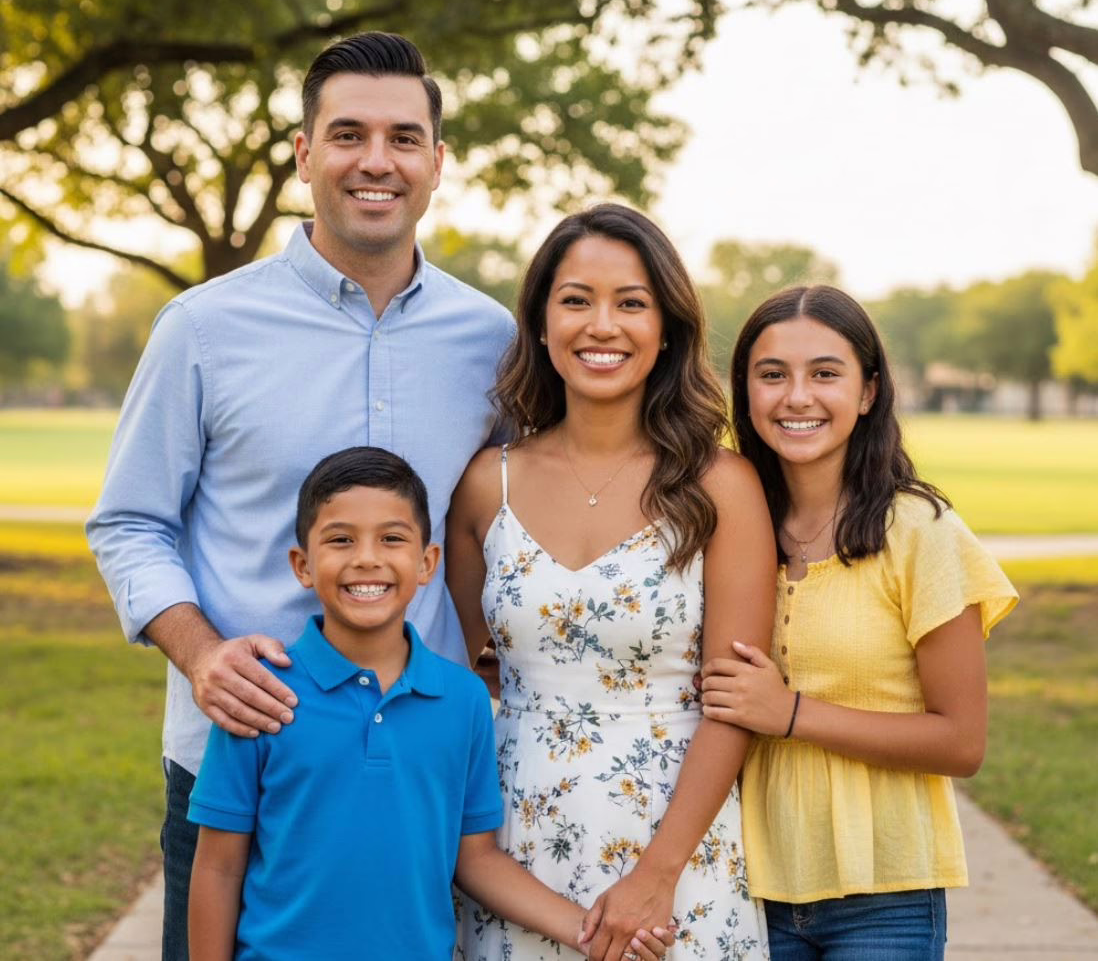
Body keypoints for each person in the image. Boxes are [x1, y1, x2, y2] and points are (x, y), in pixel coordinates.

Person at [85, 32, 515, 959]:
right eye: (348, 133)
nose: (376, 161)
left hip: (415, 774)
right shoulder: (203, 327)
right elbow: (129, 522)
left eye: (404, 138)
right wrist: (199, 654)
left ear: (438, 163)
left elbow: (514, 523)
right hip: (235, 765)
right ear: (304, 154)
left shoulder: (493, 341)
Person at [187, 447, 674, 961]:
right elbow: (218, 868)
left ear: (427, 563)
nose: (367, 558)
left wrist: (587, 930)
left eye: (392, 539)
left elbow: (477, 858)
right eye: (341, 540)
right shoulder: (261, 695)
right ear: (302, 566)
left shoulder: (462, 699)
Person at [448, 203, 773, 961]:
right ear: (538, 323)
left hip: (676, 858)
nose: (603, 325)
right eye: (576, 300)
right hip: (514, 846)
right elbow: (473, 670)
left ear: (667, 330)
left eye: (631, 303)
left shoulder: (721, 485)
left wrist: (657, 877)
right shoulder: (483, 486)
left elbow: (737, 700)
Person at [701, 285, 1018, 960]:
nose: (796, 397)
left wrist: (790, 713)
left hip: (885, 899)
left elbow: (962, 743)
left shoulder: (921, 532)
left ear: (868, 391)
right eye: (772, 375)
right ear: (745, 391)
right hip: (746, 884)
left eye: (824, 373)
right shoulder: (726, 525)